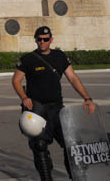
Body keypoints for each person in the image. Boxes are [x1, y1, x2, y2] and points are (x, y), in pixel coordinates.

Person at [12, 26, 96, 181]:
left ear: (51, 39)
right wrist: (24, 97)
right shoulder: (27, 59)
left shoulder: (59, 56)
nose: (42, 42)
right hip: (36, 108)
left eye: (45, 39)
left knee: (70, 143)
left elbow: (73, 78)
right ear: (36, 40)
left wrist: (87, 98)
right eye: (39, 39)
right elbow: (16, 80)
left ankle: (75, 175)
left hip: (57, 108)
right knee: (39, 145)